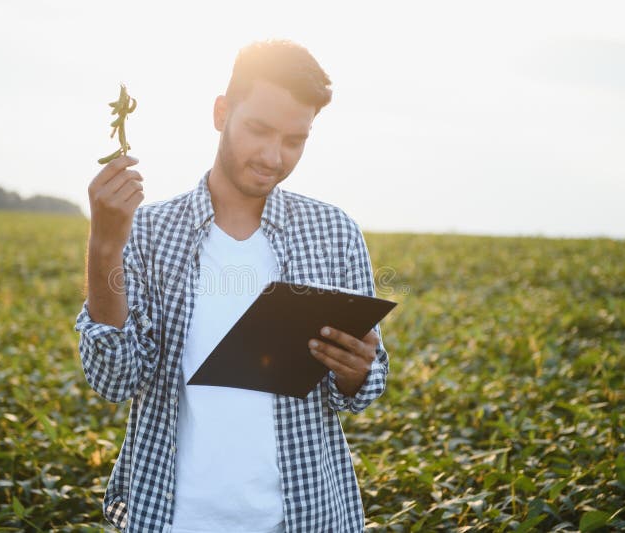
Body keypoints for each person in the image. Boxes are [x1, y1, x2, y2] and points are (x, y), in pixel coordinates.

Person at [74, 39, 390, 533]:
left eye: (294, 140)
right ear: (222, 112)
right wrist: (104, 248)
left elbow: (362, 387)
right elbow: (115, 380)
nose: (273, 155)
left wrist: (355, 371)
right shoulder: (152, 230)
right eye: (259, 130)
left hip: (306, 516)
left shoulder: (334, 232)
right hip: (175, 518)